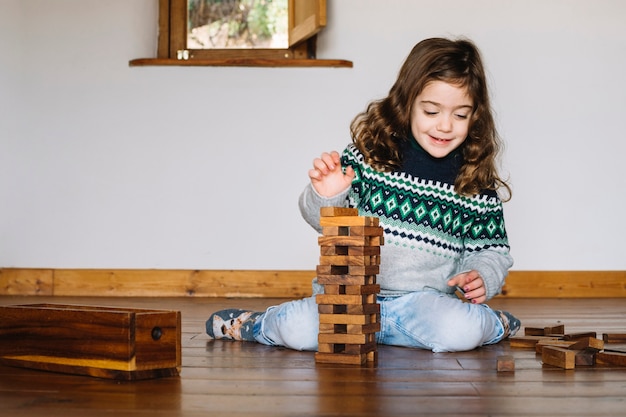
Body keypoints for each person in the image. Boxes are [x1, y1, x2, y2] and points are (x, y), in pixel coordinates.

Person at [206, 37, 520, 353]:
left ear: (476, 116)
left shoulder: (474, 180)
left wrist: (482, 275)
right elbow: (322, 222)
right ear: (408, 102)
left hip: (422, 307)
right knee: (298, 328)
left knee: (459, 330)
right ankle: (255, 324)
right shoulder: (370, 156)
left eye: (461, 115)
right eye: (431, 111)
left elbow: (492, 250)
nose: (445, 125)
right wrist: (328, 195)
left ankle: (494, 323)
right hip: (351, 297)